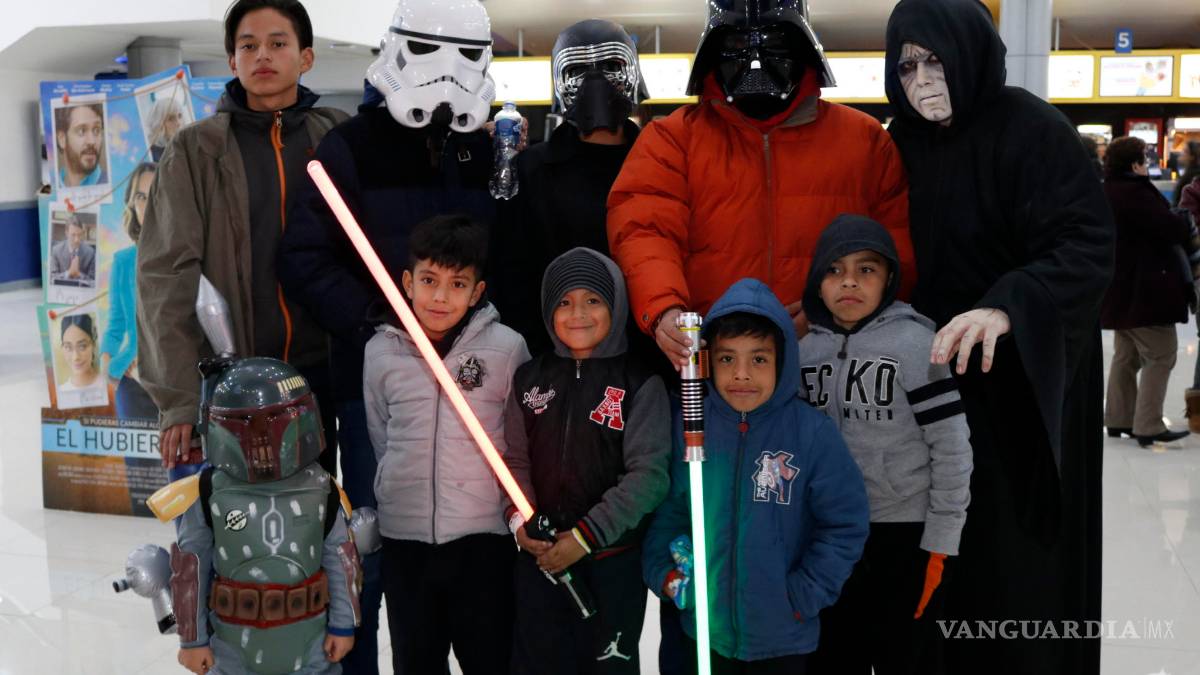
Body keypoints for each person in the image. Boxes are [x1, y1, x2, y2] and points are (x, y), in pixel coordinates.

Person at [882, 1, 1114, 673]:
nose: (923, 80)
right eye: (907, 65)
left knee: (1015, 558)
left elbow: (1086, 243)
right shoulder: (900, 143)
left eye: (936, 60)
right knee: (937, 553)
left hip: (1022, 381)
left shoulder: (1033, 129)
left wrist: (1008, 306)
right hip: (932, 383)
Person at [278, 2, 502, 668]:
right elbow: (304, 255)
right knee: (371, 544)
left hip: (477, 383)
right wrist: (376, 318)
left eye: (466, 54)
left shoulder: (486, 150)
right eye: (430, 49)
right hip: (377, 384)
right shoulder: (350, 148)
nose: (448, 71)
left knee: (476, 539)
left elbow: (507, 257)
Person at [607, 0, 914, 370]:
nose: (755, 62)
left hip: (833, 360)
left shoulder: (864, 140)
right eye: (737, 46)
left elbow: (893, 250)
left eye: (775, 44)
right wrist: (663, 308)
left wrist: (833, 310)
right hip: (714, 359)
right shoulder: (672, 139)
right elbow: (645, 230)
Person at [137, 0, 346, 487]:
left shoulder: (336, 135)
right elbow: (165, 275)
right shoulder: (195, 150)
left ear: (306, 56)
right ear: (232, 60)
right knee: (242, 518)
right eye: (248, 46)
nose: (262, 55)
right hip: (238, 384)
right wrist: (179, 400)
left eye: (278, 43)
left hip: (327, 371)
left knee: (323, 508)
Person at [643, 278, 870, 674]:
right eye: (727, 359)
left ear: (783, 361)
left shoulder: (811, 434)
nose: (742, 374)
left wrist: (803, 594)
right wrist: (666, 573)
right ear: (709, 361)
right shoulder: (692, 426)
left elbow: (844, 524)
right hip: (704, 632)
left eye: (759, 359)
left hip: (781, 638)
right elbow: (669, 511)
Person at [798, 215, 972, 675]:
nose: (849, 281)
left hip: (904, 535)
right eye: (834, 270)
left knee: (906, 657)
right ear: (816, 283)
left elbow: (952, 447)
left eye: (866, 269)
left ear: (889, 278)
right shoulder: (803, 354)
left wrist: (942, 539)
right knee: (835, 658)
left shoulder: (916, 344)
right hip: (829, 536)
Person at [363, 214, 529, 674]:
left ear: (477, 292)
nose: (440, 297)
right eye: (429, 280)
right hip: (405, 541)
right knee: (415, 661)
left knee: (490, 660)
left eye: (457, 284)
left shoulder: (507, 349)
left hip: (483, 542)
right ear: (407, 282)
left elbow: (518, 440)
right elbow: (381, 434)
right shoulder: (380, 352)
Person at [502, 247, 670, 674]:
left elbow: (649, 476)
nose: (578, 314)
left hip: (612, 564)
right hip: (541, 561)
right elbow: (513, 461)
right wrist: (520, 521)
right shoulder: (529, 379)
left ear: (616, 305)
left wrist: (584, 537)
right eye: (564, 301)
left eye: (592, 300)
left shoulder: (640, 383)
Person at [146, 359, 360, 675]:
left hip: (310, 649)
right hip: (232, 652)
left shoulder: (322, 488)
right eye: (246, 424)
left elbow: (341, 561)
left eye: (274, 422)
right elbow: (192, 570)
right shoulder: (207, 491)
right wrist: (193, 641)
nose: (262, 440)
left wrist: (343, 626)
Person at [489, 19, 650, 358]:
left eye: (610, 66)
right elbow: (512, 271)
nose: (596, 83)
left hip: (645, 353)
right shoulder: (531, 170)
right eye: (578, 70)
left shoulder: (660, 164)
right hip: (555, 357)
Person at [1102, 136, 1193, 447]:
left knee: (1125, 357)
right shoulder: (1136, 193)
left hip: (1120, 290)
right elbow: (1170, 229)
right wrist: (1182, 222)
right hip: (1147, 290)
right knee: (1162, 354)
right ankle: (1149, 424)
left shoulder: (1107, 190)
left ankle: (1118, 418)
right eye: (1144, 158)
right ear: (1135, 164)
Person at [100, 162, 159, 421]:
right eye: (141, 197)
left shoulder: (185, 256)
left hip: (178, 385)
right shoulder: (123, 262)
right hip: (132, 384)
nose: (148, 205)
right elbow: (116, 324)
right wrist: (108, 366)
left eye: (155, 194)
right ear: (132, 204)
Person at [57, 314, 109, 409]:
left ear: (93, 345)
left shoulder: (108, 386)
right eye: (68, 347)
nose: (76, 357)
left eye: (82, 346)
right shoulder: (60, 394)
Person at [54, 103, 107, 188]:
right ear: (62, 139)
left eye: (96, 130)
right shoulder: (53, 186)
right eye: (81, 131)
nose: (91, 141)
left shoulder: (115, 184)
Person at [49, 213, 96, 284]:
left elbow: (93, 281)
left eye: (79, 235)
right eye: (73, 235)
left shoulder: (90, 252)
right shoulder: (56, 250)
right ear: (66, 233)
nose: (77, 240)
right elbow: (51, 278)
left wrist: (79, 274)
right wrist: (68, 273)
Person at [146, 96, 186, 161]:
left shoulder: (185, 145)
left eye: (179, 116)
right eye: (171, 119)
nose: (178, 123)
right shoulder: (152, 155)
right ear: (158, 124)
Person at [1173, 140, 1200, 207]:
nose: (1181, 153)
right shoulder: (1189, 173)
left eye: (1184, 151)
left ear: (1192, 156)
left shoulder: (1192, 177)